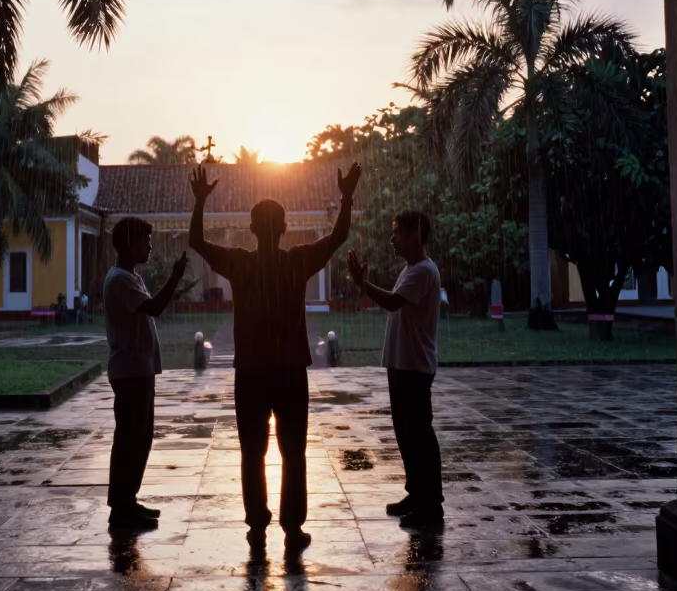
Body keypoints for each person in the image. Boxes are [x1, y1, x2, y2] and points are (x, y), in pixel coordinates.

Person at [188, 162, 362, 549]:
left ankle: (256, 522)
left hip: (251, 371)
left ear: (252, 229)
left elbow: (196, 242)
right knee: (293, 451)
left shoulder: (240, 263)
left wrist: (200, 202)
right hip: (288, 371)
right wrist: (346, 195)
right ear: (284, 228)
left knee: (253, 450)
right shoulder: (296, 261)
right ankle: (292, 526)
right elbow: (338, 236)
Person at [348, 211, 443, 527]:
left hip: (414, 366)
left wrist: (364, 284)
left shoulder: (423, 272)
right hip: (403, 364)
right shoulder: (411, 269)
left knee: (419, 435)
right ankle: (416, 494)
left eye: (397, 233)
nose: (392, 239)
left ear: (415, 236)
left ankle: (431, 504)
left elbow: (392, 303)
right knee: (406, 434)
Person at [103, 216, 187, 529]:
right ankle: (121, 509)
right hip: (130, 372)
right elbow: (154, 308)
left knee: (139, 438)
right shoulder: (121, 280)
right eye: (145, 240)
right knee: (130, 439)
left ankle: (128, 501)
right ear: (128, 244)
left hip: (137, 370)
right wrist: (176, 277)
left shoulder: (129, 276)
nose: (150, 246)